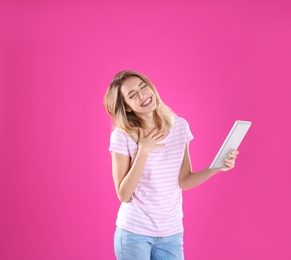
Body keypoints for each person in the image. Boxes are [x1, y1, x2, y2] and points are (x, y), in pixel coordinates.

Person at [104, 70, 239, 260]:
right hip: (134, 233)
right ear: (126, 107)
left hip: (171, 233)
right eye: (133, 95)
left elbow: (184, 181)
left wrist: (215, 168)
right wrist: (143, 151)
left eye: (143, 87)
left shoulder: (180, 127)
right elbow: (124, 194)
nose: (143, 95)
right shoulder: (122, 135)